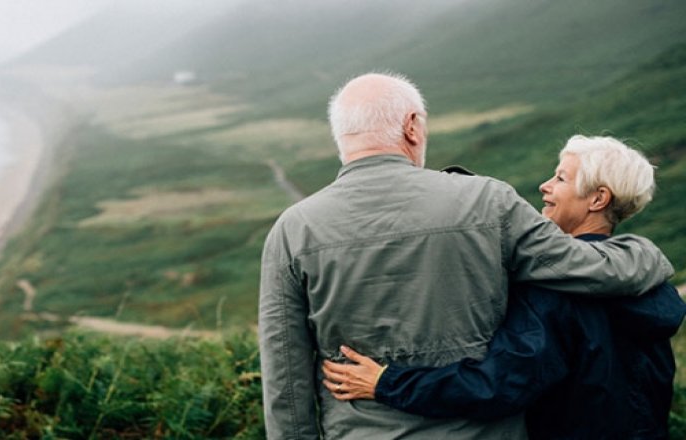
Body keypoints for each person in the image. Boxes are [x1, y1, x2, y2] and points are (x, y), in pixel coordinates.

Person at [258, 72, 674, 439]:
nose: (548, 186)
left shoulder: (292, 230)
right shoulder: (488, 202)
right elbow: (586, 266)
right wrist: (647, 256)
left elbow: (285, 382)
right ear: (412, 126)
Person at [321, 135, 686, 438]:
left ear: (598, 199)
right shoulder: (651, 286)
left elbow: (499, 385)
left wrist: (387, 383)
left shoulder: (555, 291)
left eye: (560, 178)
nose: (545, 185)